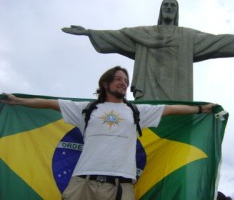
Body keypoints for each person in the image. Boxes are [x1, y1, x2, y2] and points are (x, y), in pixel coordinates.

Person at [1, 66, 216, 200]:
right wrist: (18, 101)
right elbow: (50, 104)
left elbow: (170, 110)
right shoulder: (87, 109)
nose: (123, 83)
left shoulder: (136, 111)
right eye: (119, 79)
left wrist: (200, 109)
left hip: (120, 187)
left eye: (126, 81)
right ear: (105, 83)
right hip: (82, 184)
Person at [62, 0, 234, 101]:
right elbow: (118, 36)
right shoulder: (144, 33)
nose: (169, 8)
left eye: (173, 6)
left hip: (177, 93)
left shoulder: (187, 36)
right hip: (148, 91)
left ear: (177, 12)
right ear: (160, 10)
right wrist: (89, 32)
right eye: (166, 5)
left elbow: (215, 41)